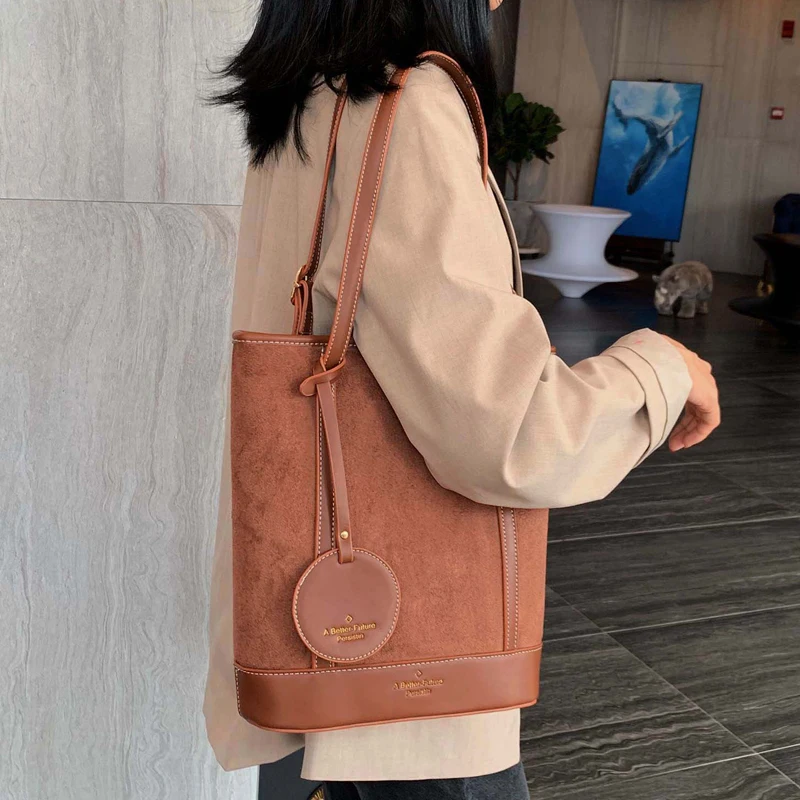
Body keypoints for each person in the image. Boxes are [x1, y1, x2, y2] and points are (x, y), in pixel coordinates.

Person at [202, 1, 720, 797]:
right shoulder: (408, 108)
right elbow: (512, 435)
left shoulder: (311, 97)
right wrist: (663, 368)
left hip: (323, 633)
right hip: (414, 686)